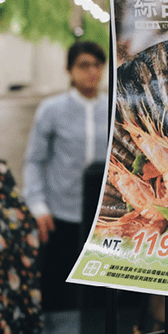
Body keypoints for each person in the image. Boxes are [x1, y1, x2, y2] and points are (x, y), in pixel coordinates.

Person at [22, 41, 109, 310]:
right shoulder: (52, 110)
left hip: (105, 218)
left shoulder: (114, 107)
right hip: (62, 214)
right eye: (84, 65)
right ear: (69, 70)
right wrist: (37, 205)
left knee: (100, 294)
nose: (91, 71)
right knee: (58, 291)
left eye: (97, 65)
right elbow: (34, 160)